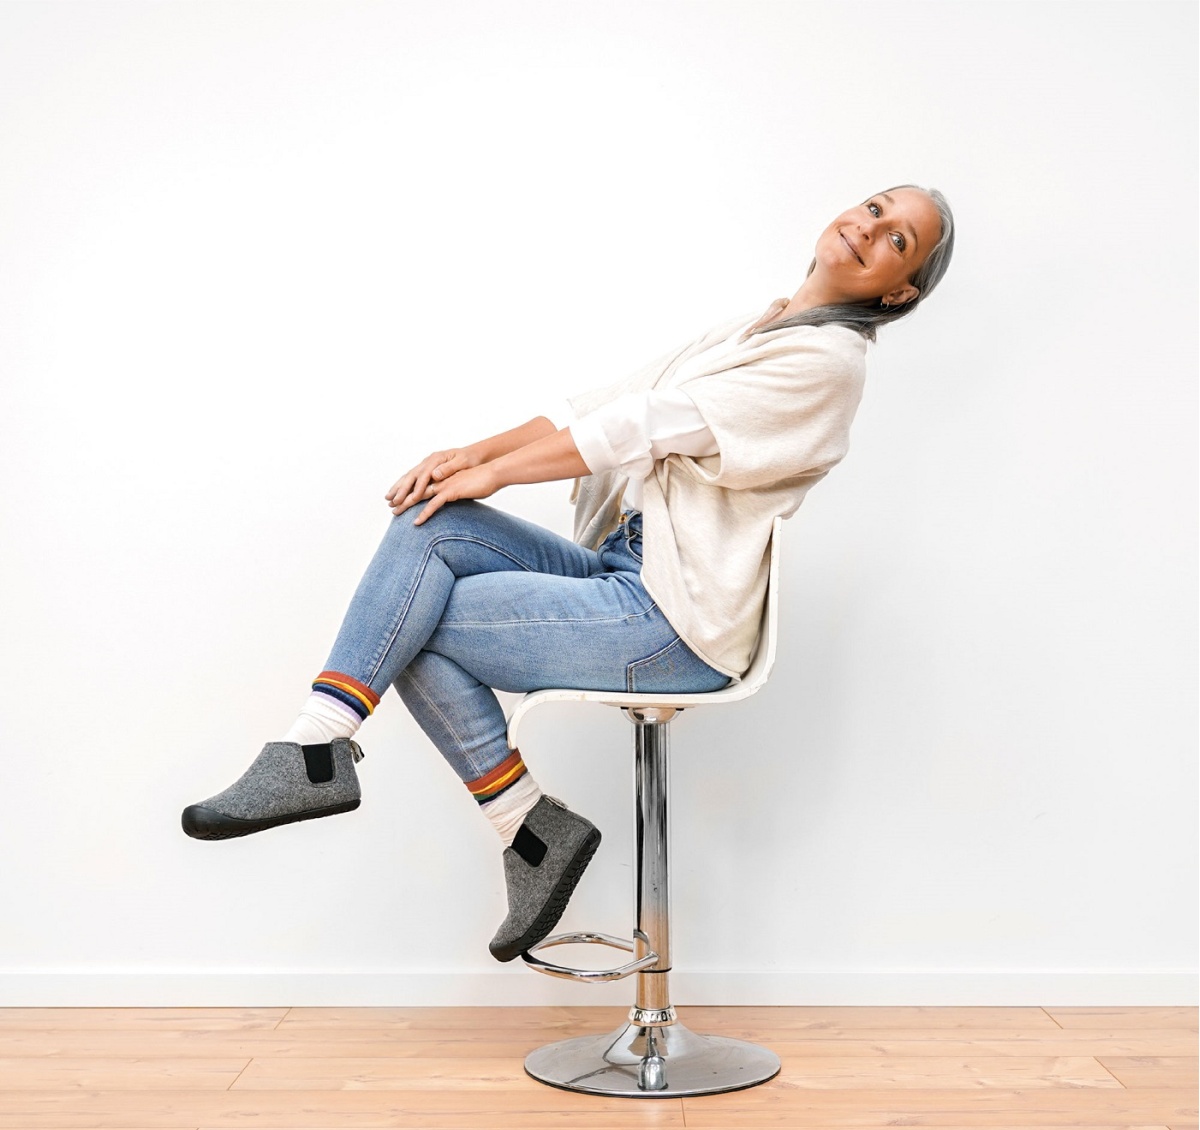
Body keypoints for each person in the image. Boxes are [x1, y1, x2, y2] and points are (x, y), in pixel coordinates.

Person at [181, 184, 956, 963]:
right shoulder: (762, 324)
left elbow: (642, 427)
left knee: (413, 613)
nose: (871, 229)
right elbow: (606, 402)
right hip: (626, 564)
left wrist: (500, 474)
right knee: (433, 524)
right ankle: (385, 775)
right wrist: (469, 455)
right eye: (875, 209)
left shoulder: (827, 362)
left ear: (899, 292)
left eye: (898, 240)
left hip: (674, 620)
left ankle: (386, 774)